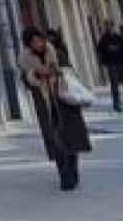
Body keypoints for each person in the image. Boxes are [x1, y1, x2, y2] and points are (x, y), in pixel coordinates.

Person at [21, 26, 90, 191]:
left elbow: (71, 71)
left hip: (65, 99)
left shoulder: (55, 52)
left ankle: (73, 170)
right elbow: (26, 81)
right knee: (55, 139)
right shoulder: (25, 59)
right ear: (28, 45)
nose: (39, 44)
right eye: (34, 42)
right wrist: (36, 75)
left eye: (40, 40)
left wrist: (57, 72)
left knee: (71, 138)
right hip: (45, 103)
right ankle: (65, 176)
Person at [96, 25, 123, 112]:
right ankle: (116, 103)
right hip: (112, 64)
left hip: (122, 63)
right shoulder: (104, 39)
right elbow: (99, 49)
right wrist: (108, 50)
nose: (110, 29)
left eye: (111, 28)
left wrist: (119, 49)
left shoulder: (119, 38)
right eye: (108, 28)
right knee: (114, 85)